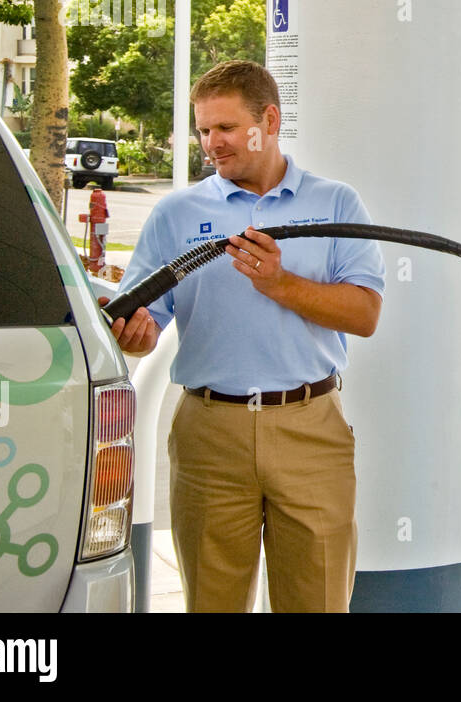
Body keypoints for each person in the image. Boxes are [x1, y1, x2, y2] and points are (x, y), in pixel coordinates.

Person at [103, 60, 384, 612]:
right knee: (212, 602)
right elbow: (145, 324)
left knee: (318, 601)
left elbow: (365, 314)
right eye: (203, 130)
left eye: (225, 128)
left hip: (310, 427)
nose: (211, 144)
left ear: (269, 119)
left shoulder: (335, 204)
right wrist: (133, 335)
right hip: (209, 434)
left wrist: (280, 283)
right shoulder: (176, 213)